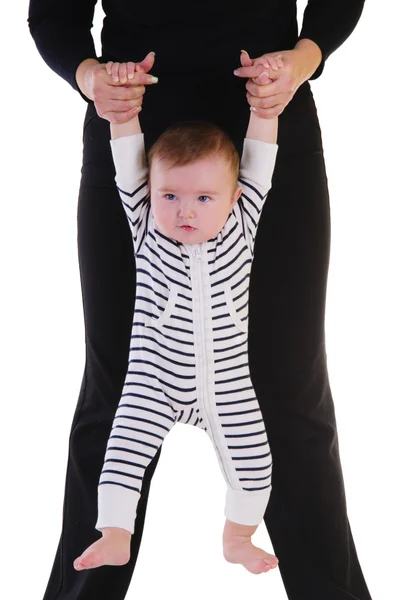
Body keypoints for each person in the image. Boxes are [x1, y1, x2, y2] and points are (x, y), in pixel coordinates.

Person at [27, 1, 373, 599]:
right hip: (131, 109)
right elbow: (54, 12)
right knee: (116, 391)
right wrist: (91, 79)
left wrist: (303, 60)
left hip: (268, 99)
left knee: (291, 391)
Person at [73, 52, 281, 575]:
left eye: (203, 198)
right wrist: (123, 113)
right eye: (171, 195)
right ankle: (115, 534)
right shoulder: (146, 224)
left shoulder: (243, 222)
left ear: (233, 199)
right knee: (120, 455)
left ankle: (238, 537)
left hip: (229, 382)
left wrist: (266, 103)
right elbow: (126, 157)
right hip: (153, 379)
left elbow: (260, 158)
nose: (185, 210)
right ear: (151, 192)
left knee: (256, 467)